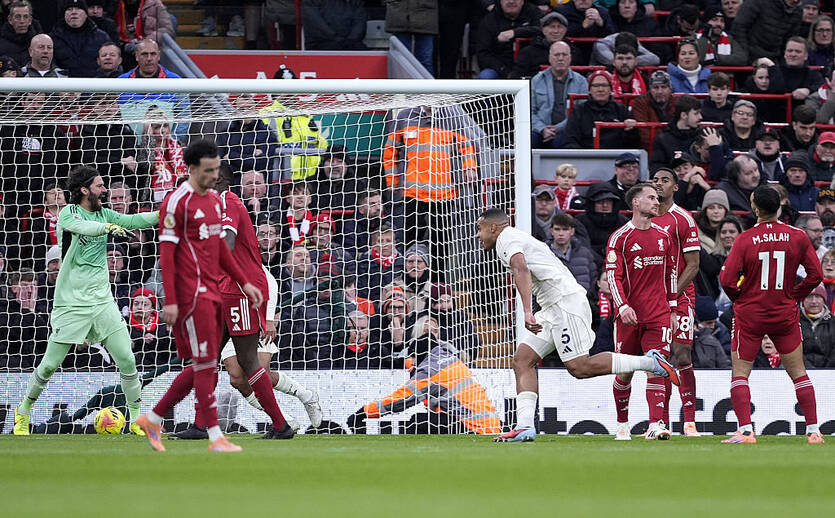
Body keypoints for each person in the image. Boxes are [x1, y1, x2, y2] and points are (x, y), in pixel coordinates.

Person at [478, 207, 678, 443]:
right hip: (552, 307)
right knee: (522, 360)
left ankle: (650, 362)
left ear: (493, 227)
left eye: (480, 229)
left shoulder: (506, 238)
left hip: (565, 304)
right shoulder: (512, 237)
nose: (478, 235)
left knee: (579, 367)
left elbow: (521, 269)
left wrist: (526, 311)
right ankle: (524, 427)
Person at [136, 140, 265, 453]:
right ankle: (213, 435)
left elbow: (221, 248)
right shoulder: (175, 202)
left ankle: (154, 418)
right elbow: (167, 254)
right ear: (192, 169)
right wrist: (169, 300)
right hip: (189, 293)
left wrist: (244, 282)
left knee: (205, 363)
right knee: (204, 362)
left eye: (216, 169)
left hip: (212, 291)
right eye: (208, 171)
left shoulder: (213, 201)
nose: (214, 176)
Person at [12, 165, 160, 436]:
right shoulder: (69, 213)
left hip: (102, 300)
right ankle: (22, 412)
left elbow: (138, 220)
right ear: (84, 190)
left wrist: (168, 212)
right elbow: (84, 227)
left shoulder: (106, 213)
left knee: (127, 359)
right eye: (100, 186)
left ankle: (137, 419)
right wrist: (109, 228)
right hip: (72, 302)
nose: (105, 190)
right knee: (49, 365)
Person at [718, 185, 824, 444]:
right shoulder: (797, 236)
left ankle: (745, 431)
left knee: (741, 372)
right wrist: (794, 296)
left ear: (755, 208)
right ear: (778, 207)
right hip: (783, 312)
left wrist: (740, 299)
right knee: (799, 372)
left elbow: (728, 279)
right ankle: (813, 431)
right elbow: (816, 276)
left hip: (751, 313)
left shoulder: (745, 239)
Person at [606, 183, 681, 440]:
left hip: (658, 314)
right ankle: (622, 424)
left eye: (657, 198)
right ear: (635, 203)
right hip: (629, 316)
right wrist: (623, 306)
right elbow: (612, 276)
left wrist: (672, 308)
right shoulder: (621, 237)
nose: (656, 201)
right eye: (650, 197)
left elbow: (671, 273)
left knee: (657, 366)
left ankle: (655, 424)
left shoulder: (664, 236)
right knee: (624, 372)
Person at [383, 104, 478, 273]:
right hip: (413, 193)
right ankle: (409, 283)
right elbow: (390, 150)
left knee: (441, 242)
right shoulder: (405, 116)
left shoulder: (452, 116)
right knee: (411, 239)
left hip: (444, 194)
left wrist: (470, 167)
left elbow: (466, 145)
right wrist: (392, 181)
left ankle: (438, 286)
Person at [652, 168, 702, 437]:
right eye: (655, 180)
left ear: (675, 187)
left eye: (665, 180)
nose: (659, 184)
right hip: (650, 300)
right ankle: (661, 421)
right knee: (659, 358)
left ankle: (690, 421)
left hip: (679, 297)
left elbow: (693, 266)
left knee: (682, 353)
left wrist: (670, 295)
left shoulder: (683, 219)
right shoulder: (642, 219)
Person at [530, 41, 588, 149]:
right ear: (550, 58)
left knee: (563, 140)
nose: (560, 58)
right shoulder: (536, 80)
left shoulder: (581, 82)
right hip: (540, 130)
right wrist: (543, 129)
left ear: (570, 58)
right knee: (529, 140)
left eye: (564, 55)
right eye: (556, 55)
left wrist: (558, 128)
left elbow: (581, 113)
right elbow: (530, 112)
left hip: (568, 130)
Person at [562, 70, 640, 149]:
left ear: (610, 89)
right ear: (589, 90)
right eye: (596, 85)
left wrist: (630, 130)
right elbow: (570, 140)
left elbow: (632, 143)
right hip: (586, 156)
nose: (600, 89)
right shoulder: (579, 110)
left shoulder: (621, 109)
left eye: (604, 85)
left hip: (615, 156)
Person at [475, 0, 543, 80]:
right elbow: (483, 53)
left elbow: (543, 30)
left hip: (530, 67)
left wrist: (515, 32)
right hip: (500, 68)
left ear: (522, 1)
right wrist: (505, 71)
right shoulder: (489, 20)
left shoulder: (534, 13)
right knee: (486, 76)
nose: (511, 1)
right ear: (500, 1)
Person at [512, 12, 581, 79]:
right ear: (543, 30)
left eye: (559, 27)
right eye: (552, 27)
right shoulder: (528, 52)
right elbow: (516, 78)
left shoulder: (574, 51)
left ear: (565, 30)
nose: (556, 31)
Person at [50, 0, 110, 78]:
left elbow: (111, 63)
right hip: (63, 86)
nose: (74, 12)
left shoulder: (102, 37)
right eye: (69, 9)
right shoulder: (53, 38)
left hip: (95, 86)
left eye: (78, 9)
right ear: (64, 14)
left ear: (86, 14)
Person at [733, 0, 804, 61]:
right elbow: (739, 28)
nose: (795, 1)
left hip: (775, 59)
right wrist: (745, 55)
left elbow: (789, 40)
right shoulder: (757, 2)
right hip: (750, 56)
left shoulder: (797, 12)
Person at [574, 182, 629, 260]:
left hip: (618, 262)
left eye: (609, 201)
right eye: (600, 202)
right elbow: (581, 247)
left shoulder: (623, 222)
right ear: (592, 203)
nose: (605, 205)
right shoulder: (580, 221)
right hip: (589, 262)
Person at [650, 94, 702, 171]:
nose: (700, 117)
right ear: (683, 115)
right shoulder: (663, 140)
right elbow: (657, 169)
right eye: (696, 113)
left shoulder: (702, 136)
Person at [549, 212, 598, 293]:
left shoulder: (585, 253)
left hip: (582, 301)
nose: (561, 234)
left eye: (565, 229)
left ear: (572, 231)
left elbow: (593, 279)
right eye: (557, 229)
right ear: (551, 231)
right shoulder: (544, 253)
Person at [126, 287, 173, 369]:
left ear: (152, 308)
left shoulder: (163, 326)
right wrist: (141, 341)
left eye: (145, 304)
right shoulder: (124, 325)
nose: (139, 307)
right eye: (136, 304)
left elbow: (170, 355)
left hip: (161, 372)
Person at [631, 70, 675, 150]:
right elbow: (644, 134)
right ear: (650, 89)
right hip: (648, 149)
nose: (660, 91)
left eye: (664, 87)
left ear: (670, 89)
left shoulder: (677, 103)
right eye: (655, 87)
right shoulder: (639, 103)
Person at [302, 0, 367, 51]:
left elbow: (360, 23)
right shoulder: (311, 1)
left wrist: (350, 40)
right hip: (321, 45)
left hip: (351, 45)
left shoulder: (355, 2)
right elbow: (316, 23)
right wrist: (336, 38)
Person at [779, 37, 824, 104]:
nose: (793, 54)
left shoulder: (814, 74)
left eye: (798, 51)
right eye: (790, 51)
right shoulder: (776, 72)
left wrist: (808, 90)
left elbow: (822, 87)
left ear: (806, 56)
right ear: (785, 54)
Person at [799, 284, 835, 368]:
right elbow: (793, 350)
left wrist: (825, 371)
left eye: (818, 297)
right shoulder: (795, 321)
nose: (814, 301)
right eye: (809, 297)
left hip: (830, 372)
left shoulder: (833, 322)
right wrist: (810, 369)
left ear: (824, 300)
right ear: (803, 300)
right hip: (801, 371)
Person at [0, 0, 40, 66]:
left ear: (30, 20)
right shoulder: (1, 44)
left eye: (25, 17)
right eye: (17, 17)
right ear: (10, 19)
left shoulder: (39, 43)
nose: (22, 21)